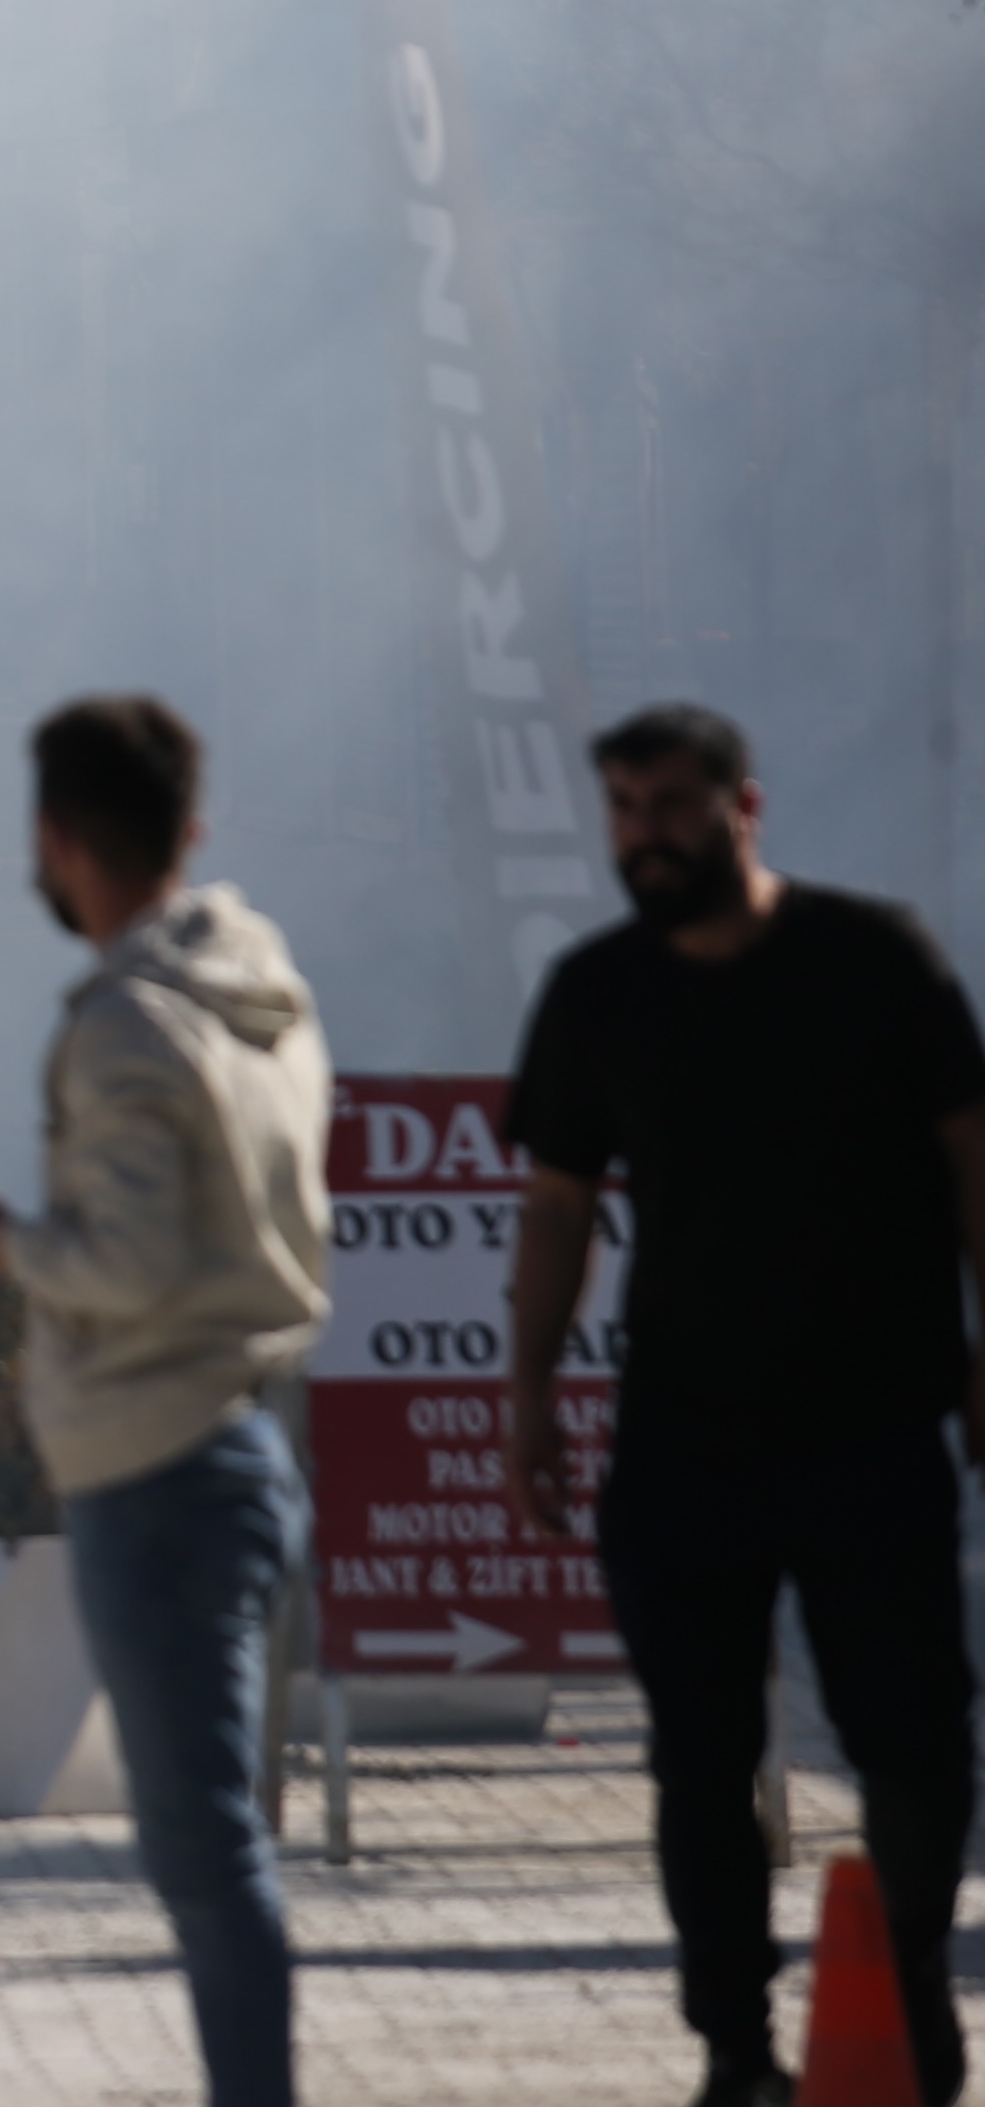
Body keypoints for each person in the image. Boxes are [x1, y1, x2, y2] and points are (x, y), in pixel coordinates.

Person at [505, 703, 985, 2107]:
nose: (644, 834)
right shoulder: (597, 992)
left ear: (742, 807)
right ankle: (732, 2048)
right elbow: (556, 1208)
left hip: (875, 1417)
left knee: (913, 1733)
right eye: (624, 810)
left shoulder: (874, 962)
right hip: (685, 1434)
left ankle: (908, 1990)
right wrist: (527, 1396)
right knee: (698, 1759)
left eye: (669, 805)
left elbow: (974, 1159)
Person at [0, 696, 330, 2107]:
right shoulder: (259, 985)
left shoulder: (123, 1028)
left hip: (159, 1470)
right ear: (191, 829)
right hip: (244, 1443)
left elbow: (133, 1260)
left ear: (53, 838)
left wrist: (2, 1250)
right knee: (212, 1846)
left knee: (207, 1852)